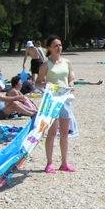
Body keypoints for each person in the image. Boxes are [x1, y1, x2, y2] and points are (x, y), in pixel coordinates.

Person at [36, 35, 76, 173]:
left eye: (60, 45)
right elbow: (37, 82)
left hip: (65, 99)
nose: (59, 48)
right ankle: (49, 163)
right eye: (55, 46)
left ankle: (64, 163)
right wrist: (46, 85)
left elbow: (71, 77)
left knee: (64, 133)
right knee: (52, 133)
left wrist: (71, 84)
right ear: (49, 48)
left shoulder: (67, 62)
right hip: (52, 101)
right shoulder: (45, 65)